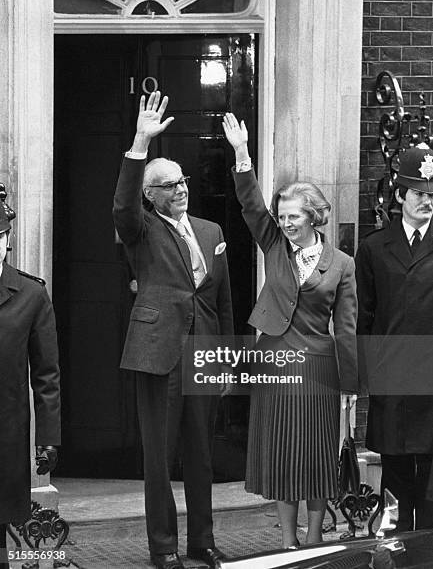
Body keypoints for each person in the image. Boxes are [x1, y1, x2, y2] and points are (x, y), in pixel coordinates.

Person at [222, 113, 358, 547]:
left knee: (316, 454)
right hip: (274, 359)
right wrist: (242, 153)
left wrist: (351, 383)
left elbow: (347, 327)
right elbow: (250, 205)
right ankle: (286, 540)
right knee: (282, 453)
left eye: (295, 216)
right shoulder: (274, 245)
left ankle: (315, 538)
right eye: (282, 216)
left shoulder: (341, 264)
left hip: (319, 368)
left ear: (314, 217)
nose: (286, 222)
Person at [113, 92, 233, 569]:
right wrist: (140, 142)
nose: (180, 188)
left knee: (203, 453)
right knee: (160, 458)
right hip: (158, 350)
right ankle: (163, 548)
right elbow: (122, 203)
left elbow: (222, 300)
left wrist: (226, 359)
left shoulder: (211, 231)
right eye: (168, 184)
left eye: (182, 180)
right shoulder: (139, 227)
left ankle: (201, 542)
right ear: (151, 195)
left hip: (204, 351)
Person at [356, 145, 433, 531]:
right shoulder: (373, 248)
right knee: (397, 481)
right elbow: (363, 316)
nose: (427, 201)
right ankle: (398, 552)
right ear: (400, 194)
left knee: (432, 488)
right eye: (419, 193)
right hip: (394, 381)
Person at [0, 189, 60, 569]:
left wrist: (49, 438)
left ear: (6, 240)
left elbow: (47, 375)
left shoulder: (31, 294)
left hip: (5, 431)